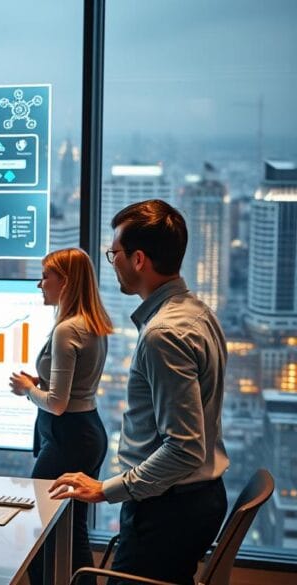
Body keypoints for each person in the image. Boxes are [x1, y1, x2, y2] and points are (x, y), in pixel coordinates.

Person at [50, 200, 229, 584]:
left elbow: (184, 447)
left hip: (168, 509)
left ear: (139, 260)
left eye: (114, 253)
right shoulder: (198, 312)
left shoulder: (164, 334)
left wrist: (105, 490)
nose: (111, 261)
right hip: (190, 501)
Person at [8, 248, 112, 585]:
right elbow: (76, 386)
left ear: (64, 283)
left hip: (67, 436)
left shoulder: (68, 329)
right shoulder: (93, 324)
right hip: (86, 431)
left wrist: (27, 388)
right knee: (73, 526)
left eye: (45, 277)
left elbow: (56, 404)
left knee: (43, 524)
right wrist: (44, 381)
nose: (40, 285)